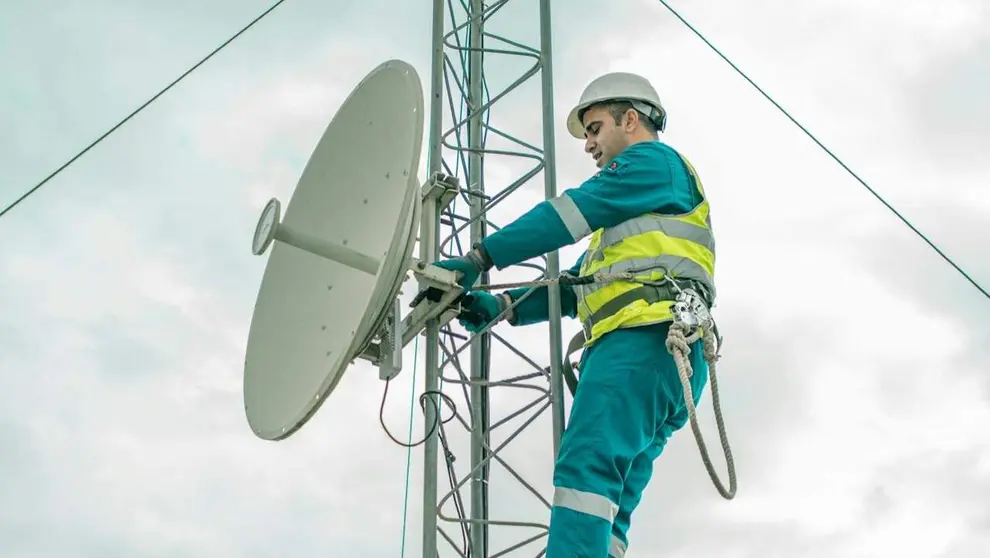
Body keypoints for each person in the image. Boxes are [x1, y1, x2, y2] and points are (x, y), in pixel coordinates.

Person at [431, 71, 716, 558]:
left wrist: (480, 258)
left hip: (641, 341)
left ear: (631, 120)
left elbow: (568, 213)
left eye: (595, 127)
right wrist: (501, 307)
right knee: (611, 499)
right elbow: (570, 289)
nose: (589, 144)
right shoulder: (633, 223)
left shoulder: (651, 164)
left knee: (586, 466)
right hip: (669, 357)